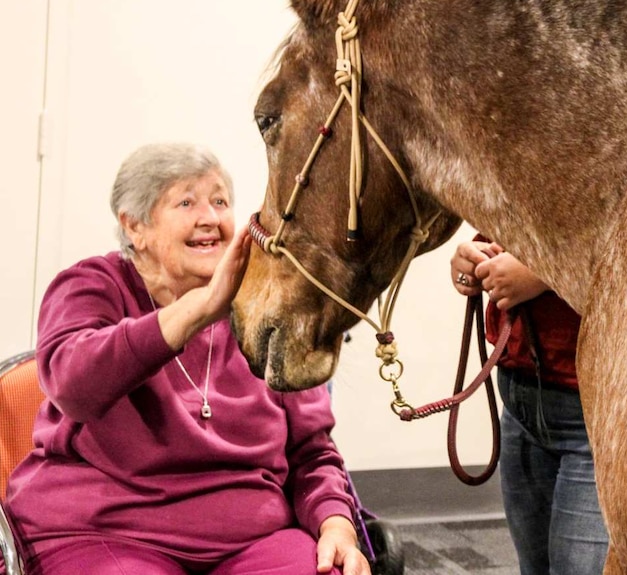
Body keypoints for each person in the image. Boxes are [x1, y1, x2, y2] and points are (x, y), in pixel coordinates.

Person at [4, 142, 370, 575]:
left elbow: (312, 451)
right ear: (134, 226)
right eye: (186, 202)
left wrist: (336, 524)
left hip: (251, 536)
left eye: (220, 201)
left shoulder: (263, 309)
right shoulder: (92, 286)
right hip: (104, 530)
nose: (211, 218)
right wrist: (198, 309)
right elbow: (73, 385)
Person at [450, 237, 608, 575]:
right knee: (535, 567)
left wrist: (543, 273)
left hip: (594, 413)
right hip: (518, 396)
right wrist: (475, 257)